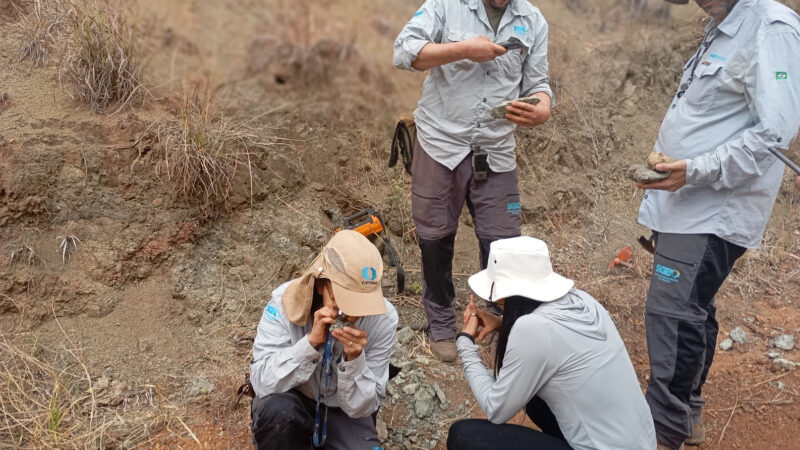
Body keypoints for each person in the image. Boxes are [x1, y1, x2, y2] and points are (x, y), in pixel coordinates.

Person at [637, 0, 800, 448]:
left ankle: (663, 430)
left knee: (672, 312)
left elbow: (776, 131)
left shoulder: (772, 28)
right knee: (692, 306)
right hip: (686, 202)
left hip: (713, 207)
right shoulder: (725, 22)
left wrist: (697, 168)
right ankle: (686, 415)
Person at [393, 0, 554, 361]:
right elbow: (404, 52)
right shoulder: (445, 6)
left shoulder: (532, 19)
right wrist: (463, 50)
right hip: (440, 143)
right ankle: (441, 321)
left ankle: (497, 316)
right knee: (435, 239)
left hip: (495, 149)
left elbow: (539, 81)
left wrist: (542, 106)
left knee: (503, 242)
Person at [447, 236, 656, 450]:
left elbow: (495, 410)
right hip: (641, 442)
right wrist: (501, 323)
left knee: (463, 436)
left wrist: (465, 340)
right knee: (532, 397)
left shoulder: (532, 329)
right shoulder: (583, 300)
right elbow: (554, 342)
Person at [249, 230, 398, 449]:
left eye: (361, 305)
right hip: (293, 397)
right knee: (279, 415)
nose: (351, 314)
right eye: (341, 301)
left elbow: (365, 406)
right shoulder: (282, 302)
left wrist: (355, 360)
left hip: (344, 410)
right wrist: (309, 345)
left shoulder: (384, 319)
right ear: (321, 284)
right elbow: (262, 381)